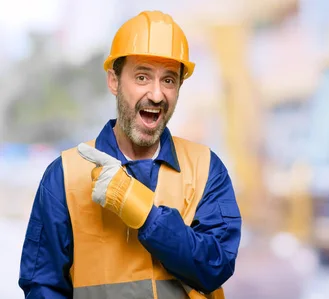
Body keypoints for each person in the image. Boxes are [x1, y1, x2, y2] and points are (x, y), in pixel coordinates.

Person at [18, 10, 241, 299]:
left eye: (169, 80)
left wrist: (146, 215)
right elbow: (43, 286)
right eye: (142, 76)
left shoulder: (206, 168)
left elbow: (216, 266)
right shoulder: (64, 176)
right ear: (114, 81)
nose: (157, 94)